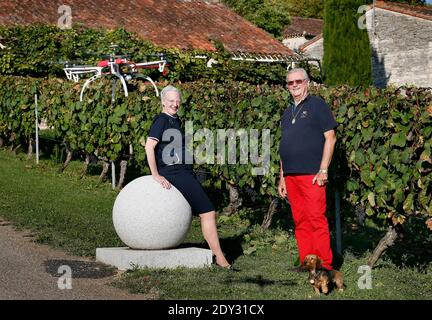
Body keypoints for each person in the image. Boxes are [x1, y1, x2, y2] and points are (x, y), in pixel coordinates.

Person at [145, 85, 231, 269]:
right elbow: (149, 146)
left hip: (183, 172)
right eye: (171, 101)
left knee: (207, 211)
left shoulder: (175, 120)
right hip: (175, 173)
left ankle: (218, 255)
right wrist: (156, 175)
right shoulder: (162, 120)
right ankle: (220, 258)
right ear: (162, 102)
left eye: (177, 101)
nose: (175, 104)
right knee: (208, 211)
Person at [278, 68, 337, 271]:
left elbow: (330, 137)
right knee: (300, 220)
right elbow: (284, 147)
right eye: (290, 83)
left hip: (312, 174)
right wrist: (282, 177)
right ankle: (307, 262)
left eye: (298, 81)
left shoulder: (318, 105)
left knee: (316, 219)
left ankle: (325, 265)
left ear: (307, 83)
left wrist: (323, 169)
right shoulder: (287, 113)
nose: (294, 85)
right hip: (291, 175)